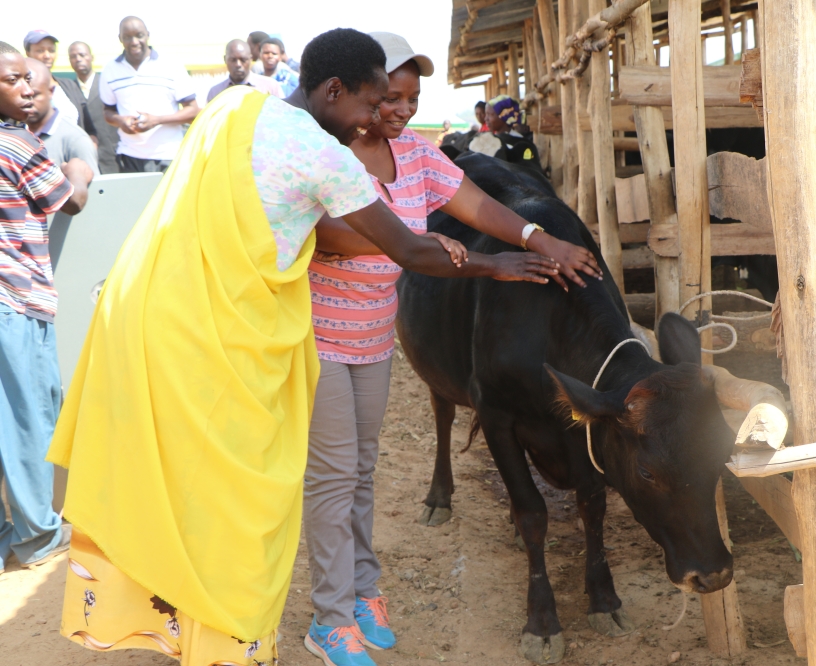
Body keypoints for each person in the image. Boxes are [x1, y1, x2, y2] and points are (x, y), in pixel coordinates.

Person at [48, 28, 561, 666]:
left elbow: (455, 210)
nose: (382, 117)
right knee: (294, 485)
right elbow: (388, 244)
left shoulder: (238, 110)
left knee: (340, 471)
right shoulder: (323, 155)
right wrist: (494, 266)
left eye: (397, 102)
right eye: (375, 104)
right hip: (280, 340)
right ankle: (319, 617)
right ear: (334, 89)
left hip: (222, 322)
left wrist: (512, 240)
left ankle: (345, 594)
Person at [302, 31, 601, 666]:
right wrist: (453, 256)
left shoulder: (414, 154)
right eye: (390, 96)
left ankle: (362, 591)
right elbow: (335, 235)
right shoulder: (323, 152)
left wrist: (539, 240)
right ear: (362, 90)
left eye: (411, 98)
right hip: (316, 340)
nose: (402, 109)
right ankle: (329, 618)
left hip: (373, 337)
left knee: (360, 471)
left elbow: (477, 203)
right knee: (331, 480)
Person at [0, 42, 92, 577]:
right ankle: (37, 534)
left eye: (28, 79)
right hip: (17, 301)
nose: (28, 86)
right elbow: (72, 199)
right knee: (30, 416)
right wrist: (77, 168)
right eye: (14, 80)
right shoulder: (14, 145)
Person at [100, 16, 199, 173]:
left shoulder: (171, 65)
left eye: (139, 35)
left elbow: (193, 111)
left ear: (147, 35)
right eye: (127, 37)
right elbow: (108, 112)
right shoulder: (110, 70)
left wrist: (157, 120)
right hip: (129, 156)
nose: (134, 42)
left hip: (169, 155)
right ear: (120, 38)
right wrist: (121, 121)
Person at [24, 58, 99, 175]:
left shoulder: (75, 140)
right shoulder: (14, 133)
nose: (29, 102)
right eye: (23, 96)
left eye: (35, 95)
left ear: (51, 91)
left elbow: (96, 192)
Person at [62, 41, 119, 174]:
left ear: (91, 57)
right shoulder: (68, 90)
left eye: (82, 55)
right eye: (73, 56)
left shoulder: (107, 83)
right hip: (83, 159)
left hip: (112, 156)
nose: (78, 59)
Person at [23, 30, 79, 127]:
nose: (47, 56)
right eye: (40, 50)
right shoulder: (23, 87)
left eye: (51, 50)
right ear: (28, 53)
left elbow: (87, 124)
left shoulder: (69, 85)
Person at [469, 95, 540, 167]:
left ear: (504, 116)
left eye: (490, 114)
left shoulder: (520, 144)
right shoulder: (485, 141)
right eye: (486, 114)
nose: (485, 119)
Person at [207, 39, 283, 103]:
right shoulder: (215, 92)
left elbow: (284, 116)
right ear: (225, 59)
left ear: (250, 59)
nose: (238, 65)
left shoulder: (270, 86)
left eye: (243, 60)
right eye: (233, 60)